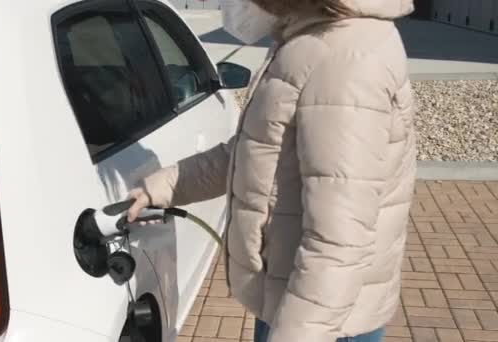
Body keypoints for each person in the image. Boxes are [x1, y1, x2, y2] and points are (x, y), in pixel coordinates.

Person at [127, 0, 417, 341]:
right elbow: (258, 150)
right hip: (297, 302)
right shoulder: (315, 37)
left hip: (319, 319)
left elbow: (340, 238)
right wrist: (163, 186)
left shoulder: (342, 61)